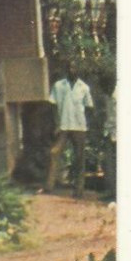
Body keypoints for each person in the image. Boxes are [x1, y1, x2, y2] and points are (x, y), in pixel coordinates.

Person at [43, 60, 93, 197]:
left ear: (78, 70)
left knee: (79, 158)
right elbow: (52, 105)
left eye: (74, 67)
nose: (72, 70)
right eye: (70, 67)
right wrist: (56, 123)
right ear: (66, 69)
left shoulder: (84, 87)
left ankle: (78, 190)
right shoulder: (59, 86)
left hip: (79, 127)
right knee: (54, 153)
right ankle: (49, 187)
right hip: (63, 126)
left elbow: (89, 107)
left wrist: (86, 124)